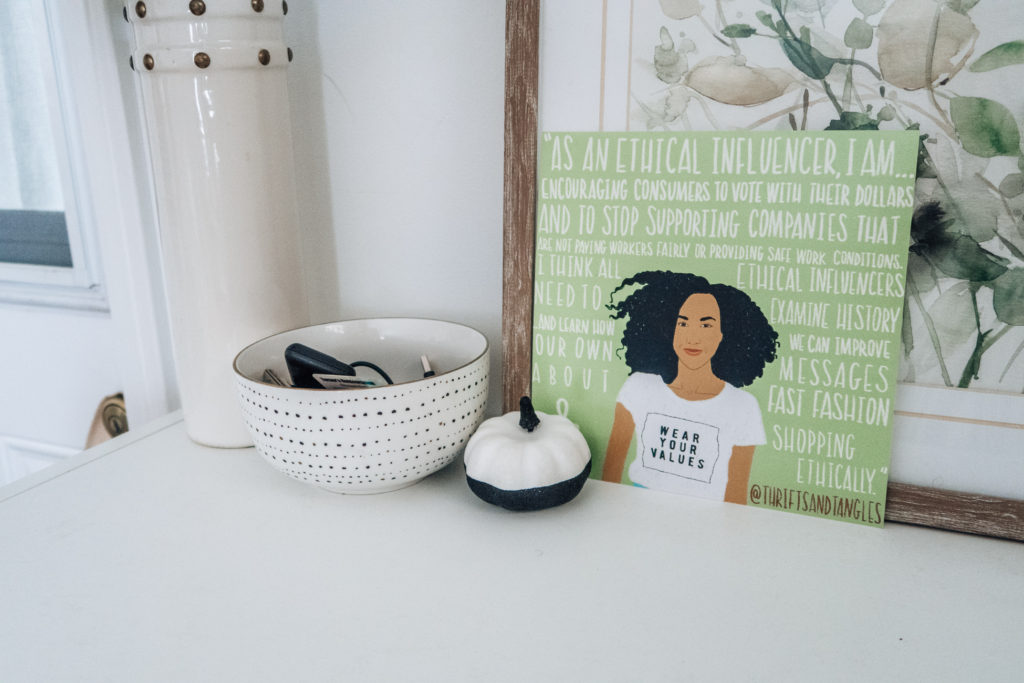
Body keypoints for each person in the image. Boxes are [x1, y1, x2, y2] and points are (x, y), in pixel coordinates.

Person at [601, 271, 778, 503]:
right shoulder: (638, 388)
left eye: (706, 325)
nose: (692, 337)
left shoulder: (742, 407)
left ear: (722, 335)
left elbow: (737, 497)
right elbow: (609, 479)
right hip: (639, 516)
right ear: (668, 329)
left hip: (709, 522)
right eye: (683, 323)